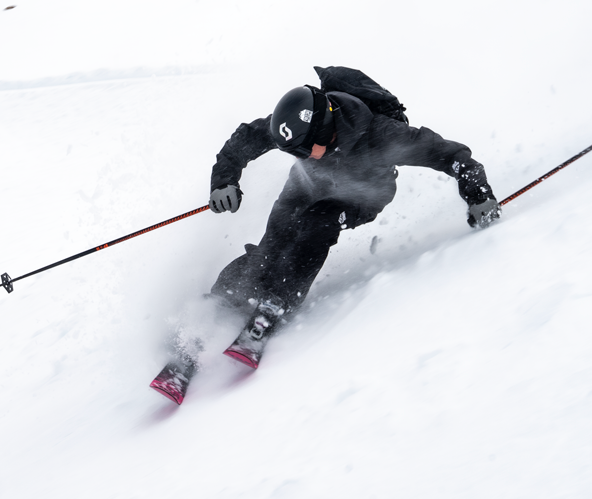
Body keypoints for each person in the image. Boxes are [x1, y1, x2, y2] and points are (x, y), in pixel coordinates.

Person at [206, 67, 500, 341]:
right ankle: (224, 298)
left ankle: (277, 303)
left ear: (326, 130)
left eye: (307, 149)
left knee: (316, 225)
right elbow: (246, 138)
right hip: (307, 185)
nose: (303, 155)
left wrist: (479, 195)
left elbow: (452, 156)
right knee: (276, 237)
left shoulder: (383, 136)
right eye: (296, 152)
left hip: (361, 194)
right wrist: (224, 181)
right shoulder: (298, 127)